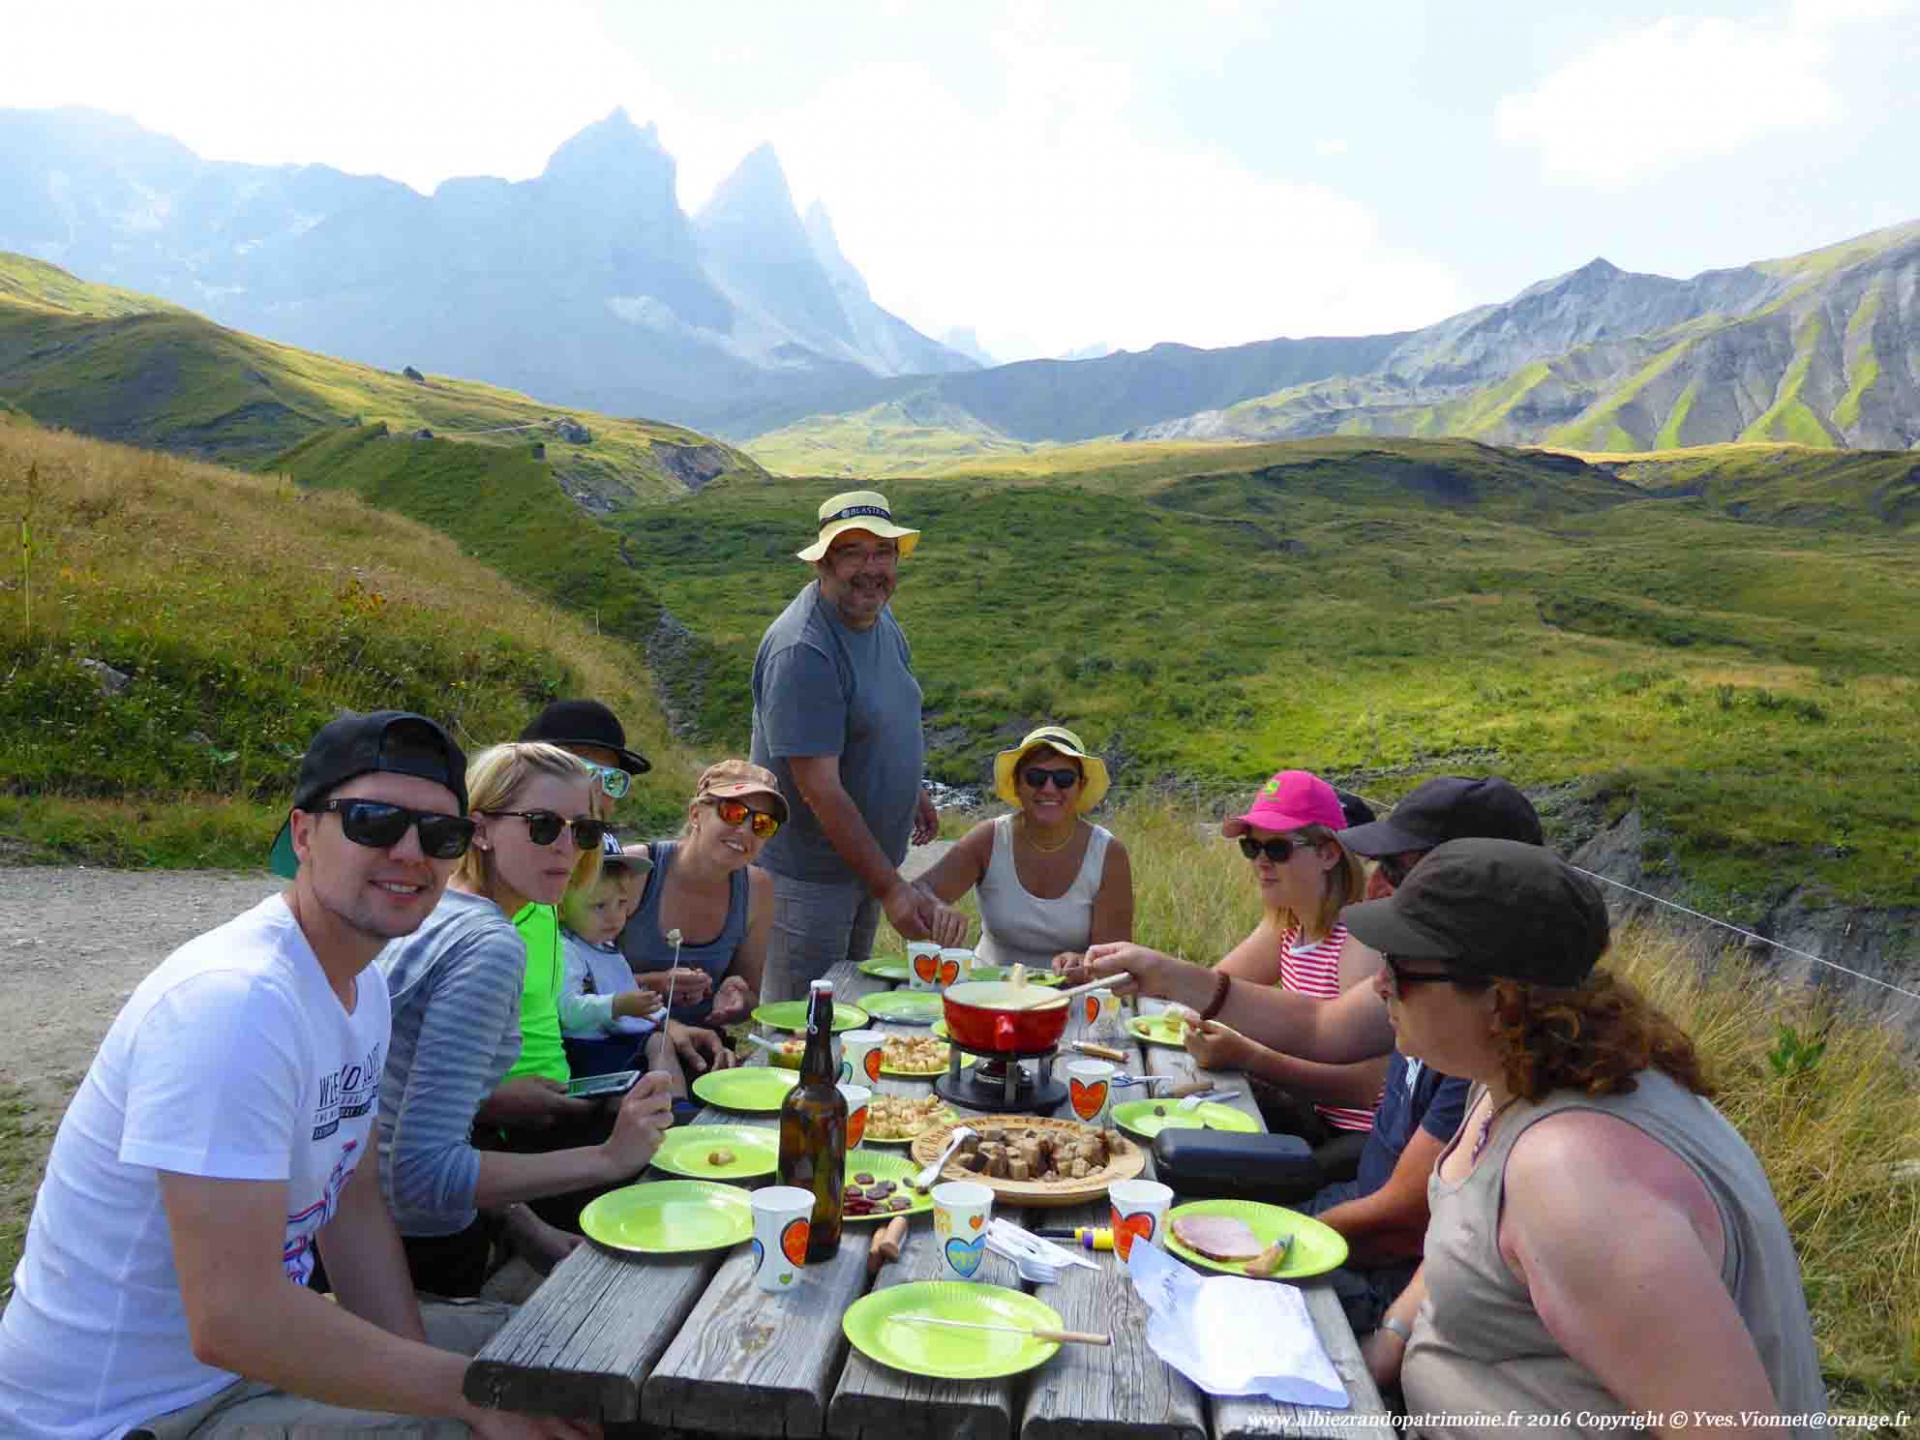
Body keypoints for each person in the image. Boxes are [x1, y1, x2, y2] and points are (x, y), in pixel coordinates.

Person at [0, 711, 587, 1438]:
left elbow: (355, 1202)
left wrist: (421, 1375)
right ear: (304, 834)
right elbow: (233, 1316)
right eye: (374, 821)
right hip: (128, 1412)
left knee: (566, 1364)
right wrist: (465, 1396)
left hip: (244, 1366)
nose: (411, 852)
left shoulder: (359, 985)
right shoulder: (236, 1005)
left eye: (440, 835)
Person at [1347, 839, 1825, 1431]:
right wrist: (1393, 1337)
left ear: (1499, 1000)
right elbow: (1468, 1244)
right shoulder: (1512, 1076)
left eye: (1400, 967)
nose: (1379, 985)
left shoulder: (1573, 1178)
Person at [375, 740, 674, 1296]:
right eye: (541, 826)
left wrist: (519, 1219)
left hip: (374, 1224)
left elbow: (402, 1102)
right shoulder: (489, 944)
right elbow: (421, 1173)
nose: (566, 848)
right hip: (413, 1246)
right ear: (480, 828)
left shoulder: (436, 907)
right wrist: (607, 1158)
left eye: (581, 831)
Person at [1296, 777, 1546, 1335]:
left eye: (1400, 871)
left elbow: (1408, 1226)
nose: (1373, 887)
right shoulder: (1463, 1021)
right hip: (1370, 1230)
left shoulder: (1497, 1064)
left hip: (1382, 1268)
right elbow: (1320, 1027)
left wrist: (1281, 1247)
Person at [748, 489, 965, 998]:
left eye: (882, 553)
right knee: (804, 1025)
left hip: (864, 867)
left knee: (847, 1008)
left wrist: (910, 789)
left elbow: (886, 712)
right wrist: (892, 888)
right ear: (822, 563)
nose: (871, 568)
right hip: (811, 881)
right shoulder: (803, 650)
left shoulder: (879, 618)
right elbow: (819, 789)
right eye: (852, 553)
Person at [1175, 769, 1383, 1170]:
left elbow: (1365, 1087)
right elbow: (1212, 992)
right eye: (1252, 848)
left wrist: (1251, 1056)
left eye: (1279, 849)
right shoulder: (1287, 922)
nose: (1262, 863)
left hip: (1353, 1139)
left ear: (1328, 852)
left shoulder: (1359, 936)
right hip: (1307, 1115)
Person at [912, 724, 1133, 968]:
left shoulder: (1107, 853)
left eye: (1064, 779)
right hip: (988, 990)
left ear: (1080, 787)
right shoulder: (990, 839)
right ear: (1017, 783)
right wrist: (936, 908)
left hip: (1070, 994)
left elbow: (1115, 958)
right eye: (1035, 777)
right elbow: (918, 892)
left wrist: (1083, 963)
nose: (1049, 788)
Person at [620, 759, 783, 1033]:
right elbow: (573, 989)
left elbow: (750, 996)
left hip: (703, 1047)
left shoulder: (757, 889)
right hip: (619, 1042)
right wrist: (655, 983)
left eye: (762, 824)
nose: (745, 829)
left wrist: (736, 999)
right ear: (695, 814)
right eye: (733, 812)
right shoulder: (636, 871)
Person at [559, 836, 676, 1082]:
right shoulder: (566, 950)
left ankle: (675, 1102)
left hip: (612, 1040)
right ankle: (666, 1101)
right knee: (656, 1045)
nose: (614, 917)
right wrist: (617, 1005)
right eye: (599, 906)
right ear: (560, 904)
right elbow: (567, 1011)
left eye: (621, 903)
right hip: (586, 1050)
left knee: (660, 1042)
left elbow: (622, 988)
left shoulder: (603, 944)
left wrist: (652, 1008)